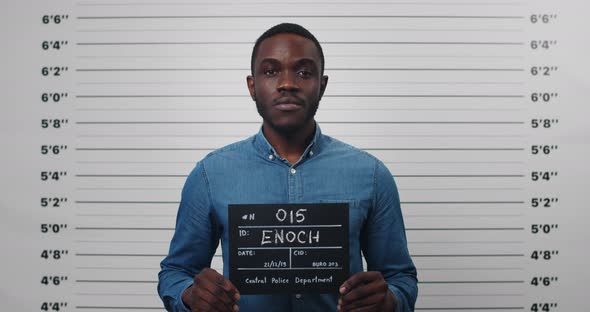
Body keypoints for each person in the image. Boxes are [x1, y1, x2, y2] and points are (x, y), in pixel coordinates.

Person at [158, 23, 418, 312]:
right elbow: (175, 273)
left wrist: (390, 300)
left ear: (322, 85)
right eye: (270, 71)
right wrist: (190, 295)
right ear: (252, 85)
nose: (287, 83)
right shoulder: (209, 175)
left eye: (304, 72)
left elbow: (401, 277)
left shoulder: (371, 175)